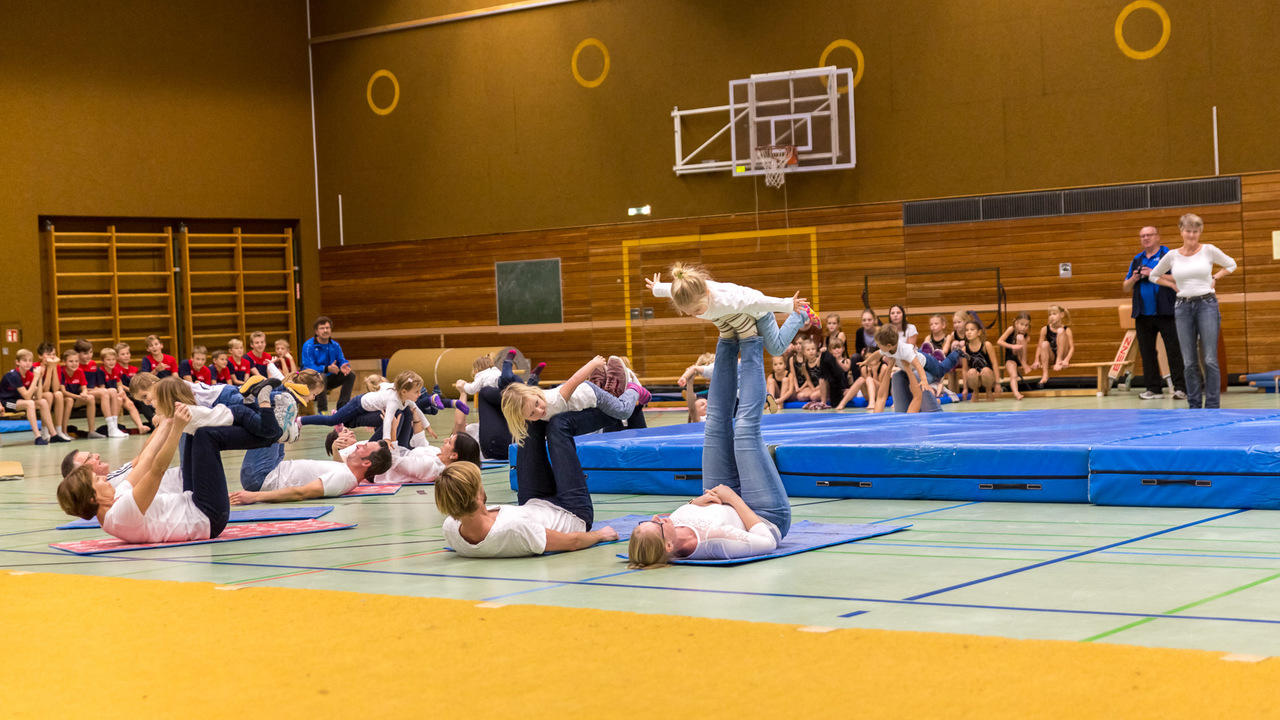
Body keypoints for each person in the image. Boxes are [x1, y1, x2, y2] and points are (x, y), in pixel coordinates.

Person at [628, 263, 808, 567]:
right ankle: (748, 337)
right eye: (657, 524)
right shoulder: (715, 542)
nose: (658, 516)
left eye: (650, 519)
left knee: (713, 426)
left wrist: (694, 502)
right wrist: (732, 498)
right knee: (745, 432)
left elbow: (677, 291)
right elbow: (767, 540)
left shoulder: (672, 525)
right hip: (762, 515)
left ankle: (727, 335)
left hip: (721, 498)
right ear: (669, 545)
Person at [435, 461, 619, 558]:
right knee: (558, 430)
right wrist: (600, 535)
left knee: (530, 426)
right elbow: (572, 542)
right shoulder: (511, 529)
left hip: (533, 503)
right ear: (476, 496)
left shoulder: (450, 527)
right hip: (571, 513)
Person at [1149, 213, 1237, 409]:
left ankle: (1212, 405)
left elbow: (1231, 264)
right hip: (1183, 307)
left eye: (1195, 231)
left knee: (1210, 358)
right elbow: (1154, 276)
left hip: (1207, 304)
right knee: (1189, 361)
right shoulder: (1172, 255)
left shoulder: (1208, 250)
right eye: (1188, 231)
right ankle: (1194, 404)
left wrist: (1215, 277)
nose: (1191, 235)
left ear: (1200, 232)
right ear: (1181, 231)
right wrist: (1172, 285)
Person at [500, 355, 649, 446]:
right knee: (608, 398)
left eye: (537, 404)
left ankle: (634, 389)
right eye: (532, 413)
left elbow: (575, 380)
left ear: (537, 394)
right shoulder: (531, 403)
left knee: (622, 411)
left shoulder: (555, 400)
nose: (540, 411)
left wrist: (593, 363)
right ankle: (600, 380)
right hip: (583, 393)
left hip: (593, 395)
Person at [1124, 226, 1187, 400]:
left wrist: (1154, 273)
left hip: (1167, 311)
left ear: (1158, 236)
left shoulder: (1170, 256)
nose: (1146, 238)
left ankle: (1181, 388)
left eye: (1149, 235)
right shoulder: (1137, 259)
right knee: (1147, 352)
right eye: (1142, 236)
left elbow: (1181, 278)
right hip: (1143, 314)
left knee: (1174, 350)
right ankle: (1153, 389)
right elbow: (1125, 287)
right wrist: (1134, 278)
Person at [228, 438, 393, 504]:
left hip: (262, 477)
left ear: (366, 463)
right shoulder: (347, 473)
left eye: (364, 447)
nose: (358, 445)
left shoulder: (343, 478)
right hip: (272, 468)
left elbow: (300, 493)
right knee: (282, 425)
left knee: (273, 421)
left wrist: (254, 496)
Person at [872, 324, 961, 413]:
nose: (878, 346)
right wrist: (905, 368)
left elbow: (881, 398)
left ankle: (950, 354)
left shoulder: (900, 349)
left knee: (934, 371)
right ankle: (928, 354)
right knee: (897, 375)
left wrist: (923, 380)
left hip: (924, 363)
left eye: (878, 344)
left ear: (888, 345)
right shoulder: (888, 349)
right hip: (917, 363)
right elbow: (917, 397)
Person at [1, 349, 56, 445]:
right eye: (24, 360)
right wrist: (35, 378)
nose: (28, 363)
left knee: (43, 402)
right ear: (17, 362)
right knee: (29, 403)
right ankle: (38, 437)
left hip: (19, 401)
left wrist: (40, 378)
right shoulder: (13, 375)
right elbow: (27, 397)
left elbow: (39, 396)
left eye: (30, 360)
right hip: (6, 403)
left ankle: (54, 435)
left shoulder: (29, 374)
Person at [300, 316, 354, 413]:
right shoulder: (308, 345)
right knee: (322, 376)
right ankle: (322, 410)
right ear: (316, 331)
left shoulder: (335, 345)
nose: (325, 330)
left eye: (327, 328)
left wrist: (344, 366)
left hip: (330, 378)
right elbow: (308, 367)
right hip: (312, 379)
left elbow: (341, 360)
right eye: (322, 328)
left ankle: (342, 408)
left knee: (350, 375)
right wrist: (326, 368)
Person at [959, 320, 1001, 402]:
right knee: (971, 372)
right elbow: (964, 369)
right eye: (967, 330)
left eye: (972, 330)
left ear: (979, 332)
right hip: (974, 379)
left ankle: (989, 391)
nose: (969, 332)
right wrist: (965, 388)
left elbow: (995, 364)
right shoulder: (964, 350)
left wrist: (997, 383)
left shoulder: (986, 345)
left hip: (988, 377)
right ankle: (975, 392)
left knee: (985, 370)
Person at [1032, 305, 1074, 386]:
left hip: (1063, 356)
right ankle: (1045, 374)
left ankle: (1059, 360)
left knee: (1060, 331)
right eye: (1050, 314)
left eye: (1054, 314)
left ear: (1061, 315)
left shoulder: (1067, 329)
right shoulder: (1045, 329)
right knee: (1044, 344)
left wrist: (1066, 360)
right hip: (1051, 356)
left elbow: (1072, 347)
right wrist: (1036, 360)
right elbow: (1039, 346)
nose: (1051, 316)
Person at [996, 312, 1033, 400]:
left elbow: (1023, 350)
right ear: (1016, 323)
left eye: (1026, 325)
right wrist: (1012, 346)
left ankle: (1024, 363)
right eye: (1021, 324)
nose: (1024, 327)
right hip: (1011, 358)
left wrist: (1024, 361)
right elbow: (999, 341)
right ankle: (1016, 393)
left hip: (1021, 358)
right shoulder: (1011, 329)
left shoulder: (1026, 336)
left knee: (1020, 337)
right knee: (1013, 375)